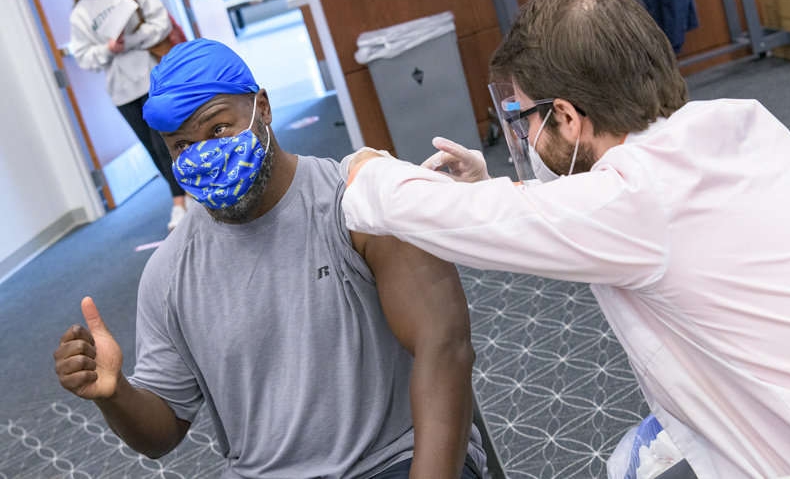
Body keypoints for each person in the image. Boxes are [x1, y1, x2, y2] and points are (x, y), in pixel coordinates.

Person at [340, 0, 790, 479]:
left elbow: (473, 220)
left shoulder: (634, 200)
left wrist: (367, 169)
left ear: (565, 115)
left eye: (525, 119)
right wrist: (487, 185)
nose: (525, 137)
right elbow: (576, 208)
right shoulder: (736, 121)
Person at [53, 38, 486, 478]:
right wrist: (115, 393)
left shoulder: (356, 205)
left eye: (217, 129)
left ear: (262, 107)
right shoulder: (168, 274)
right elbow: (163, 433)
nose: (203, 155)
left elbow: (445, 347)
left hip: (390, 461)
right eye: (182, 145)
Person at [69, 0, 187, 230]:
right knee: (152, 150)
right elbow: (85, 57)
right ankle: (185, 195)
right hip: (122, 92)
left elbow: (160, 22)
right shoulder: (80, 13)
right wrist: (109, 49)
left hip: (152, 78)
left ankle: (179, 204)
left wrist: (131, 40)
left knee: (165, 144)